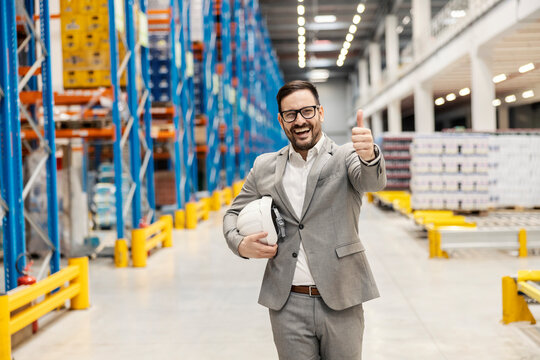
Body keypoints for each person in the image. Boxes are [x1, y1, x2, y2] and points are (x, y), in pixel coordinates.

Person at [223, 80, 386, 359]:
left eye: (307, 111)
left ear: (320, 112)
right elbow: (232, 214)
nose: (300, 121)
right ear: (281, 120)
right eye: (290, 114)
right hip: (288, 303)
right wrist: (239, 244)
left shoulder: (346, 156)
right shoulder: (265, 166)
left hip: (342, 298)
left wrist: (369, 155)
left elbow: (372, 182)